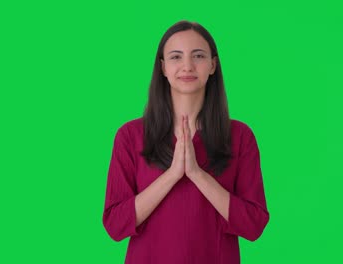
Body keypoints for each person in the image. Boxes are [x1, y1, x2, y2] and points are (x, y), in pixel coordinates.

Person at [102, 20, 269, 263]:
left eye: (198, 56)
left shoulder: (240, 137)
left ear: (213, 65)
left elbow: (253, 225)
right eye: (176, 57)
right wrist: (172, 175)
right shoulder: (130, 135)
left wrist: (197, 174)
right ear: (163, 67)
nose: (187, 66)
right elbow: (115, 225)